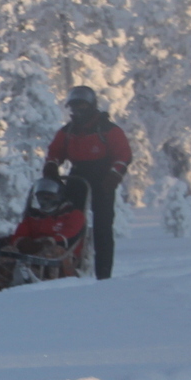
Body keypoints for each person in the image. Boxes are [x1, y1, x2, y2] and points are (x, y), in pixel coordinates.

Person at [42, 86, 129, 280]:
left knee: (102, 227)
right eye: (73, 107)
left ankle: (103, 275)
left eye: (81, 106)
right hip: (78, 177)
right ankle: (67, 266)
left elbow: (123, 154)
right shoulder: (68, 131)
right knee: (69, 220)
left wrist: (114, 175)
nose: (76, 111)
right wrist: (51, 165)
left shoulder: (107, 129)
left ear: (91, 106)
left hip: (102, 179)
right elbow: (55, 151)